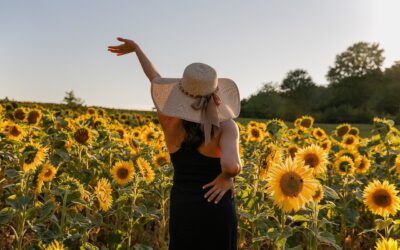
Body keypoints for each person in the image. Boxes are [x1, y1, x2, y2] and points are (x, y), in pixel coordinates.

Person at [108, 37, 242, 250]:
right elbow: (231, 166)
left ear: (181, 92)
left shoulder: (168, 119)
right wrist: (226, 179)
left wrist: (137, 50)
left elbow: (155, 79)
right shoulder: (226, 126)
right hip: (217, 205)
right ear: (216, 94)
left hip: (184, 206)